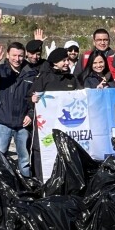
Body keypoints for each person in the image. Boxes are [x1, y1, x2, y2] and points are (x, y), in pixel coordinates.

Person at [0, 43, 36, 178]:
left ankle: (26, 183)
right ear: (7, 55)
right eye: (14, 55)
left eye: (20, 56)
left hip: (23, 123)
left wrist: (30, 114)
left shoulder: (31, 73)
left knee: (24, 158)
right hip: (2, 121)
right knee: (0, 156)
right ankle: (2, 183)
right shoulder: (0, 71)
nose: (17, 59)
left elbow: (34, 98)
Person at [30, 48, 81, 179]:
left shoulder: (71, 79)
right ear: (54, 63)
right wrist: (32, 99)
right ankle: (43, 182)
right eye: (63, 60)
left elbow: (81, 97)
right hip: (46, 128)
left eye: (67, 60)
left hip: (65, 127)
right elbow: (29, 97)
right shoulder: (44, 78)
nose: (66, 63)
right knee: (44, 153)